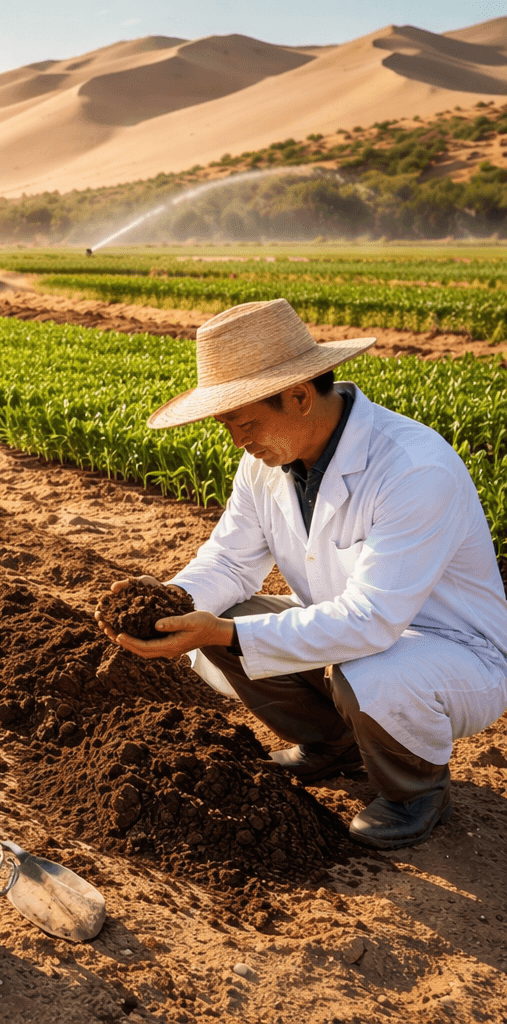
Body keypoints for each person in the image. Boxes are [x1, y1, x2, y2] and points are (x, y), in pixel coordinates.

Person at [98, 298, 507, 851]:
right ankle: (332, 744)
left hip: (450, 652)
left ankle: (415, 789)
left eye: (245, 423)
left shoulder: (413, 469)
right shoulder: (266, 463)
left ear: (298, 396)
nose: (238, 441)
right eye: (228, 426)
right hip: (355, 637)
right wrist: (171, 601)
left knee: (372, 676)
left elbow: (372, 619)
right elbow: (231, 559)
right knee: (228, 617)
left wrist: (227, 634)